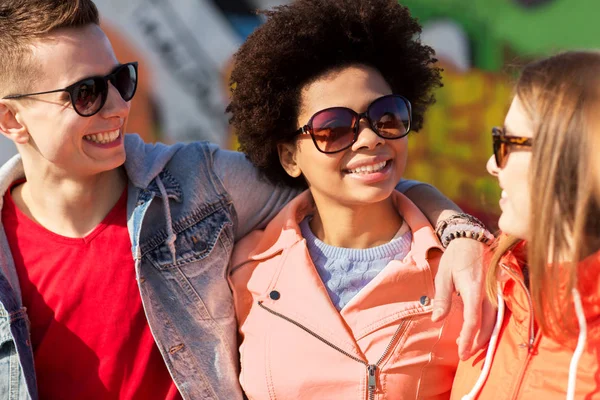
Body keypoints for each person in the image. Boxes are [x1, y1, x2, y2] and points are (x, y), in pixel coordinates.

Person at [0, 0, 490, 399]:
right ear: (12, 121)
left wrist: (459, 231)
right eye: (86, 93)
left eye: (119, 80)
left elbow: (356, 180)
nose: (117, 106)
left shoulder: (200, 183)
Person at [226, 1, 493, 398]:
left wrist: (459, 229)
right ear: (289, 156)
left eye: (386, 116)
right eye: (333, 128)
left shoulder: (466, 269)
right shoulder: (245, 271)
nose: (371, 138)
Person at [450, 51, 600, 400]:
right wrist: (453, 228)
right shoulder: (491, 282)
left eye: (505, 143)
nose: (491, 164)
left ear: (567, 157)